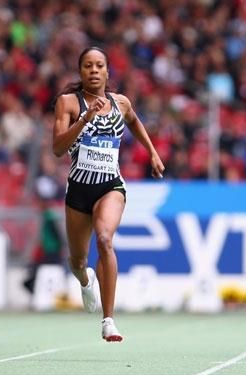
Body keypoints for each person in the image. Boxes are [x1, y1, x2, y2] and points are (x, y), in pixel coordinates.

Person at [52, 46, 165, 342]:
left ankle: (109, 320)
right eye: (87, 66)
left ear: (107, 71)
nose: (93, 70)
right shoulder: (68, 103)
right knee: (77, 261)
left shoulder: (121, 103)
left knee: (104, 239)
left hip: (110, 186)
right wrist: (84, 119)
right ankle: (85, 280)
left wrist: (152, 153)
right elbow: (57, 148)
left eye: (99, 65)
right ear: (80, 71)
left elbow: (135, 123)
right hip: (78, 190)